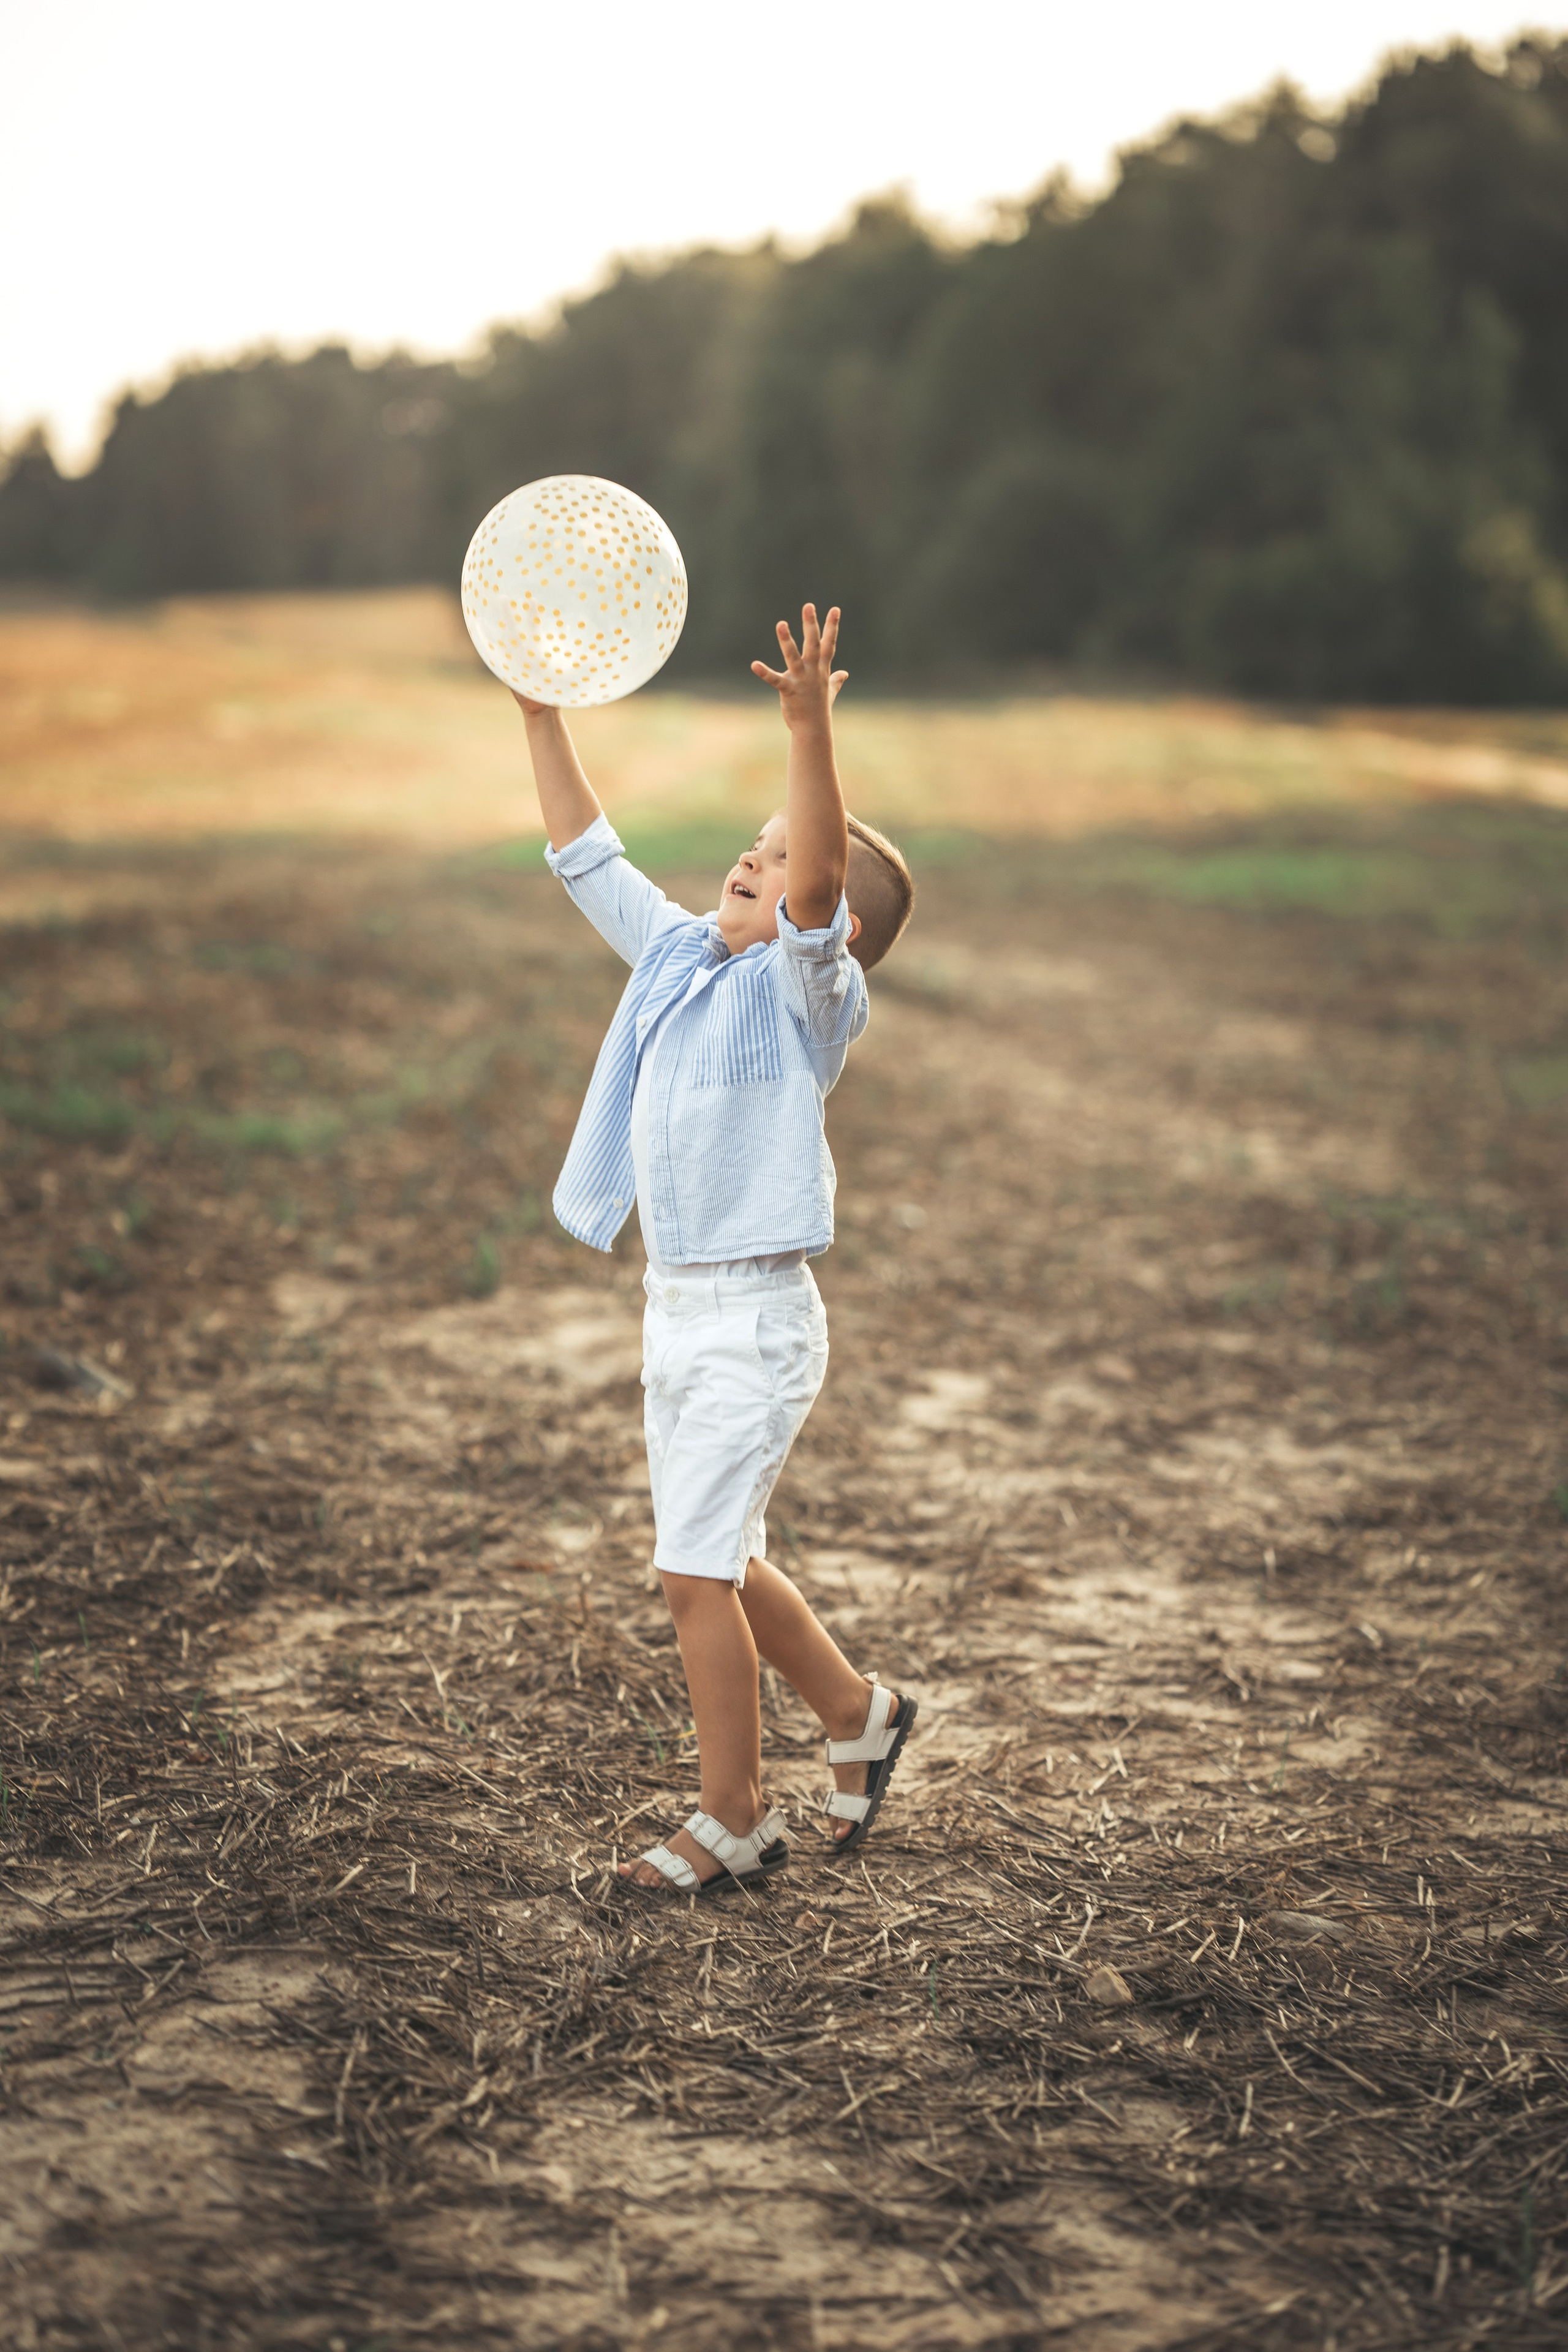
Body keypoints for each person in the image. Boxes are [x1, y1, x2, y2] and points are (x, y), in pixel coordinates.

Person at [514, 603, 917, 1896]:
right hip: (675, 1313)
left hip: (752, 1320)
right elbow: (587, 854)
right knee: (728, 1564)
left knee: (689, 1573)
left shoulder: (810, 1001)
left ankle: (733, 1815)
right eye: (749, 848)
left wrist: (807, 729)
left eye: (779, 858)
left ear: (827, 927)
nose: (752, 864)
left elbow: (813, 891)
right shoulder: (682, 960)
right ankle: (859, 1715)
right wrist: (539, 710)